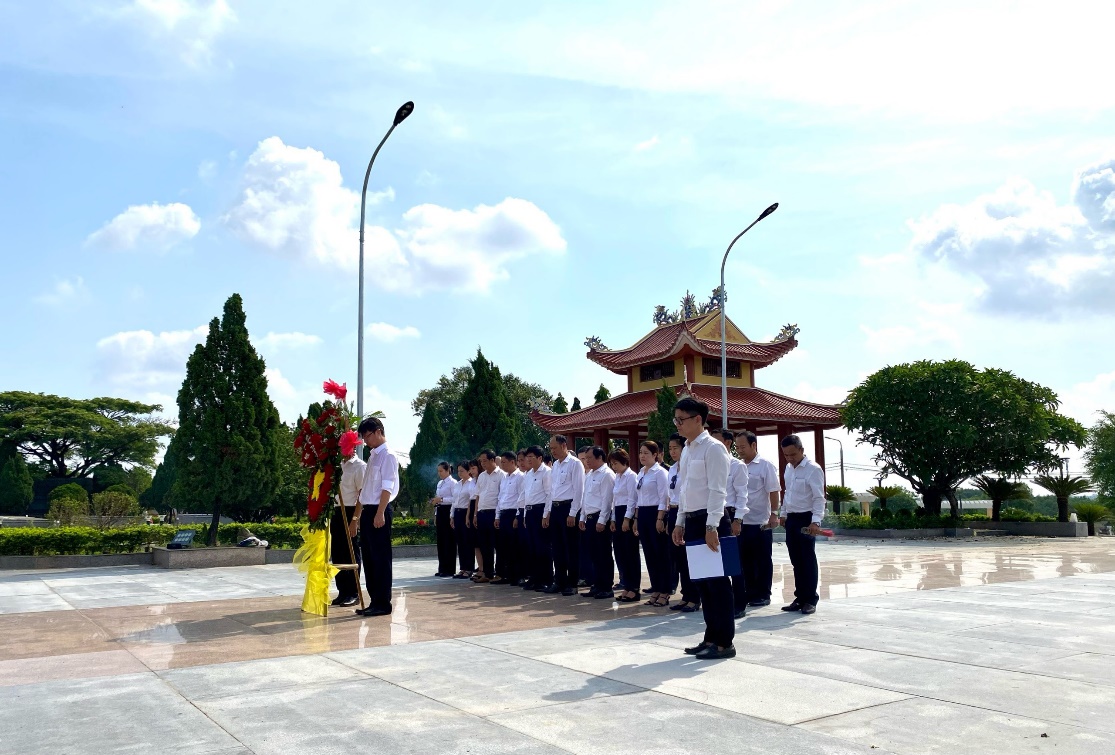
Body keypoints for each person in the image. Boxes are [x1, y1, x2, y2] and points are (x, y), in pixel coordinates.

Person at [671, 397, 735, 658]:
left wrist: (712, 526)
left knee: (718, 584)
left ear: (698, 419)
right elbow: (685, 490)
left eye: (681, 419)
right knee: (704, 585)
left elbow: (718, 490)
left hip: (712, 521)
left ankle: (725, 643)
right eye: (675, 420)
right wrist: (680, 522)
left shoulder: (714, 448)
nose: (678, 425)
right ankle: (710, 638)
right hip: (693, 520)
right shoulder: (687, 450)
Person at [352, 416, 399, 617]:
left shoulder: (388, 456)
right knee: (370, 559)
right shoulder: (373, 457)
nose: (365, 440)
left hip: (380, 509)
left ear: (378, 431)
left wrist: (380, 512)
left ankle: (383, 603)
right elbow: (365, 490)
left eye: (367, 436)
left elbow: (387, 487)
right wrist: (358, 517)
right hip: (368, 510)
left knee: (380, 558)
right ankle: (374, 601)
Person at [778, 434, 824, 615]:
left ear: (801, 450)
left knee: (807, 559)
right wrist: (783, 514)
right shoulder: (788, 469)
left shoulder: (813, 469)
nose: (790, 458)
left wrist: (815, 521)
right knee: (796, 560)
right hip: (792, 518)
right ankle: (800, 597)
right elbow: (787, 492)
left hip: (807, 518)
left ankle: (810, 599)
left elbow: (819, 498)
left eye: (793, 454)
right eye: (786, 455)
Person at [733, 431, 781, 607]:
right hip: (741, 521)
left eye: (743, 447)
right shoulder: (737, 466)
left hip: (760, 521)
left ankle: (763, 594)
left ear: (753, 445)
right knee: (744, 560)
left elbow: (773, 490)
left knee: (762, 559)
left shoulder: (765, 465)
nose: (739, 450)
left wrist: (774, 513)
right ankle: (749, 592)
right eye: (737, 447)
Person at [625, 441, 670, 607]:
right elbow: (638, 498)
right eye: (641, 452)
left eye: (646, 453)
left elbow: (664, 497)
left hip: (655, 513)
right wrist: (636, 519)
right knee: (649, 555)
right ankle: (656, 588)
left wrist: (660, 519)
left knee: (660, 554)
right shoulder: (641, 473)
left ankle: (665, 590)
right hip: (643, 514)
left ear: (655, 455)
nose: (642, 456)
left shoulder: (660, 473)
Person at [712, 428, 749, 619]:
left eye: (716, 440)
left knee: (733, 563)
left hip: (731, 515)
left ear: (727, 442)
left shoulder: (737, 466)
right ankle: (721, 602)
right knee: (715, 563)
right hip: (713, 515)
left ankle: (739, 604)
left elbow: (742, 495)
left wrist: (737, 520)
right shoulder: (711, 464)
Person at [543, 435, 585, 596]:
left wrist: (573, 513)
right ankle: (559, 581)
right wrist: (547, 513)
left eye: (555, 448)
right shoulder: (555, 465)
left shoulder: (575, 463)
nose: (552, 451)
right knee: (557, 547)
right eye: (551, 449)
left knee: (572, 547)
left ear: (563, 446)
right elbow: (551, 491)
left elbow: (579, 490)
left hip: (569, 508)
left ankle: (572, 583)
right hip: (555, 508)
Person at [666, 433, 700, 613]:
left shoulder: (689, 466)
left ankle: (695, 597)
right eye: (670, 448)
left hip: (687, 512)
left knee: (689, 558)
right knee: (678, 558)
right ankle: (685, 595)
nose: (672, 452)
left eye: (676, 448)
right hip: (674, 513)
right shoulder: (672, 469)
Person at [578, 446, 617, 599]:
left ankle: (606, 586)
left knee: (603, 554)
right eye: (585, 458)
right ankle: (597, 584)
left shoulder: (606, 474)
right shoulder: (589, 475)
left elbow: (607, 500)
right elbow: (585, 498)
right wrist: (582, 517)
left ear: (600, 458)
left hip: (600, 519)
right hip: (589, 518)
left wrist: (602, 520)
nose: (586, 461)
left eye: (589, 458)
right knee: (593, 554)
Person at [332, 433, 364, 606]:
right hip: (337, 510)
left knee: (351, 551)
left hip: (351, 510)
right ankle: (342, 591)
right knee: (337, 552)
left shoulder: (359, 467)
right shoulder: (339, 467)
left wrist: (355, 519)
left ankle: (353, 592)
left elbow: (362, 496)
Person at [609, 448, 640, 603]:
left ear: (624, 461)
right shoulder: (617, 477)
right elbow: (615, 500)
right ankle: (626, 585)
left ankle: (634, 588)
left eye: (616, 463)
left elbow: (632, 499)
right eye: (612, 464)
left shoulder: (631, 476)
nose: (614, 466)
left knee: (630, 553)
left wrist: (627, 519)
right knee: (620, 553)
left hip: (628, 514)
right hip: (618, 513)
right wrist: (613, 519)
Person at [520, 445, 553, 591]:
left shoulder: (546, 472)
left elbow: (549, 494)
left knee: (543, 547)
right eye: (527, 457)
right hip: (530, 512)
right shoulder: (528, 474)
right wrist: (525, 515)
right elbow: (526, 496)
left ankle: (546, 579)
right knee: (532, 546)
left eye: (531, 457)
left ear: (540, 458)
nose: (528, 460)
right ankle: (535, 577)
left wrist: (546, 515)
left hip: (541, 511)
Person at [473, 450, 506, 584]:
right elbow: (478, 496)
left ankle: (500, 573)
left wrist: (498, 516)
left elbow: (502, 496)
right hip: (482, 513)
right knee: (484, 545)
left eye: (484, 460)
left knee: (498, 544)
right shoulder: (481, 476)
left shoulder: (502, 475)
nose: (482, 463)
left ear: (492, 460)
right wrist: (475, 514)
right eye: (481, 461)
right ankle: (488, 573)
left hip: (495, 513)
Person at [494, 451, 524, 585]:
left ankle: (518, 575)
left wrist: (517, 516)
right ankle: (506, 575)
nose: (502, 465)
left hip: (513, 514)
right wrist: (497, 516)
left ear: (513, 462)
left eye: (504, 462)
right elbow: (500, 498)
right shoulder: (504, 478)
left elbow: (521, 498)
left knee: (515, 546)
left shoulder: (520, 477)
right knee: (503, 546)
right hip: (504, 514)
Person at [431, 461, 458, 578]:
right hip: (440, 511)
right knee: (441, 540)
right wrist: (436, 513)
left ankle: (450, 568)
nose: (439, 473)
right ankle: (442, 567)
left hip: (449, 510)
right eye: (438, 471)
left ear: (448, 470)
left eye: (441, 471)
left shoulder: (453, 483)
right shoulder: (440, 483)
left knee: (449, 540)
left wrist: (442, 500)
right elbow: (438, 498)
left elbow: (455, 499)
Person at [450, 461, 475, 578]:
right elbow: (454, 501)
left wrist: (468, 516)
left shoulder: (471, 483)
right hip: (458, 513)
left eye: (462, 471)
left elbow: (471, 501)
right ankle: (463, 567)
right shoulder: (458, 484)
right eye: (458, 471)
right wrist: (452, 516)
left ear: (468, 471)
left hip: (466, 513)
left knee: (467, 541)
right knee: (460, 542)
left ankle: (469, 568)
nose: (460, 473)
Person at [576, 445, 596, 589]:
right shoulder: (580, 474)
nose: (584, 462)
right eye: (581, 459)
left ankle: (591, 577)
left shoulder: (597, 474)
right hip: (581, 513)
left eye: (586, 458)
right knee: (581, 547)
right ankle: (583, 575)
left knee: (592, 548)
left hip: (594, 514)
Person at [514, 450, 533, 586]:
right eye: (519, 460)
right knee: (521, 545)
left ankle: (531, 574)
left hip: (533, 511)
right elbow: (521, 498)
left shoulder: (524, 476)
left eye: (523, 460)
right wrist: (518, 515)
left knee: (531, 546)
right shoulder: (525, 475)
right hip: (522, 512)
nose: (521, 463)